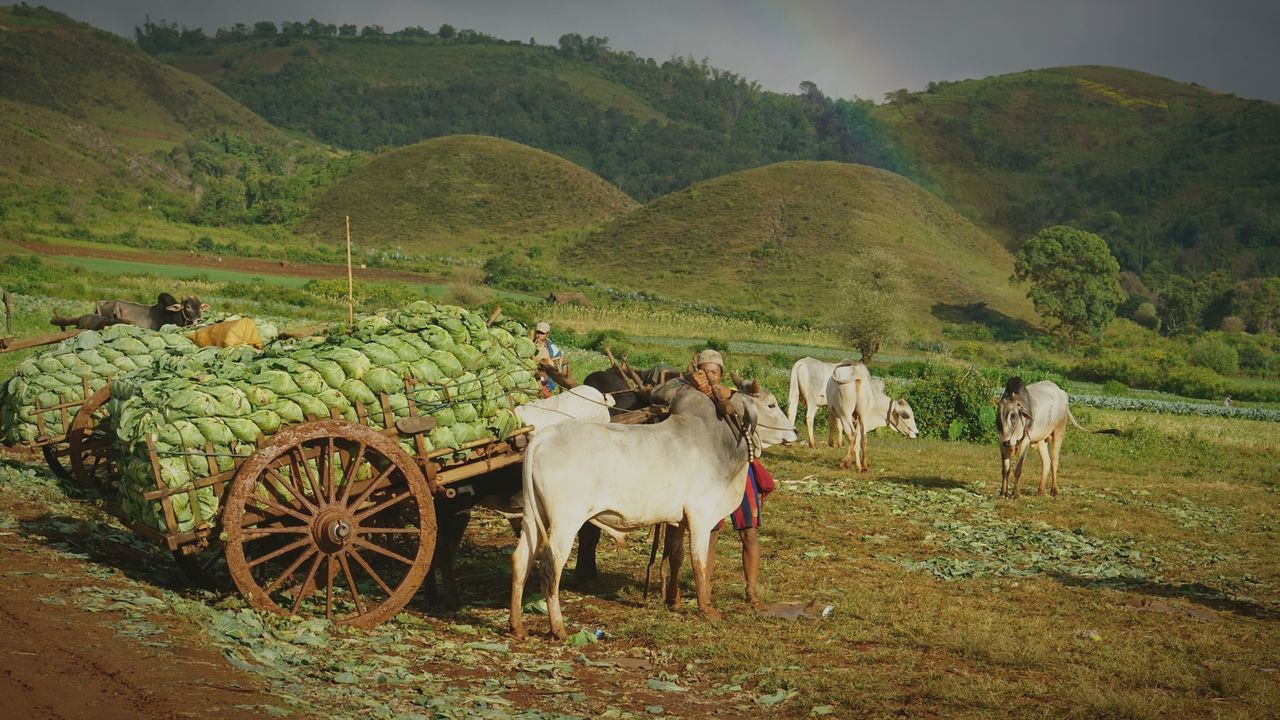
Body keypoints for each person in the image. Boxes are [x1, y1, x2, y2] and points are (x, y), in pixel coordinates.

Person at [666, 348, 775, 607]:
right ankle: (707, 587)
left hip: (739, 469)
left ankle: (750, 590)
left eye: (713, 371)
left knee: (749, 531)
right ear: (696, 371)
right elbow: (661, 391)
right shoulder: (688, 394)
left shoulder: (735, 396)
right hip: (706, 473)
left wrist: (727, 397)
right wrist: (690, 384)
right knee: (709, 532)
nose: (709, 375)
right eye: (703, 371)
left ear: (721, 373)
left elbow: (753, 408)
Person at [532, 321, 566, 395]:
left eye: (542, 333)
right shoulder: (530, 343)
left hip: (547, 374)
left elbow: (560, 360)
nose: (539, 336)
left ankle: (547, 388)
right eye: (537, 333)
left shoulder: (551, 347)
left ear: (547, 334)